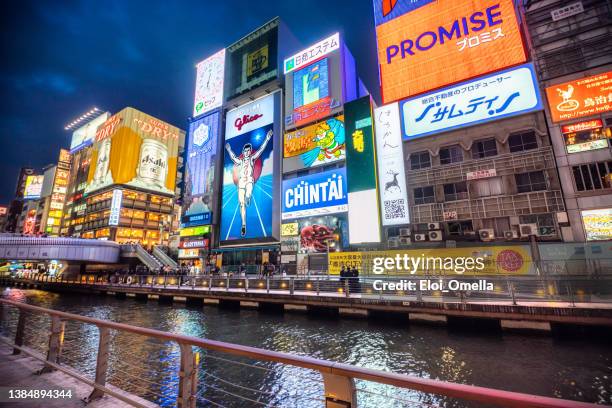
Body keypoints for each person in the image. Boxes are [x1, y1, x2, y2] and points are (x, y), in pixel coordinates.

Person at [225, 129, 273, 237]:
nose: (246, 152)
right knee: (241, 204)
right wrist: (229, 149)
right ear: (243, 152)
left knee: (248, 195)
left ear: (250, 151)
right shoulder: (240, 161)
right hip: (241, 182)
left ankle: (248, 197)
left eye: (248, 151)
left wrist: (267, 138)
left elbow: (261, 150)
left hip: (249, 181)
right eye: (245, 151)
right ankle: (243, 224)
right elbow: (233, 157)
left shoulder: (252, 159)